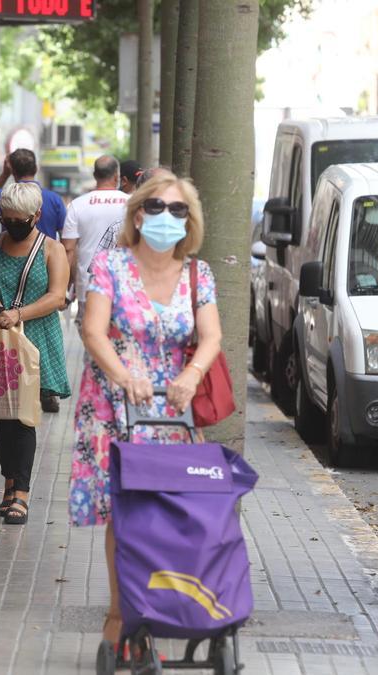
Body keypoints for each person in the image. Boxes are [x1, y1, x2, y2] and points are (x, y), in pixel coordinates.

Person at [70, 171, 223, 645]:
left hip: (171, 408)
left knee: (168, 510)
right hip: (115, 404)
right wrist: (124, 376)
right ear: (138, 215)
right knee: (125, 511)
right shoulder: (110, 267)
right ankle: (120, 614)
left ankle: (163, 603)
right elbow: (92, 330)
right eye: (156, 208)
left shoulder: (197, 274)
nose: (166, 218)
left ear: (189, 220)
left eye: (178, 210)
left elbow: (212, 335)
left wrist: (192, 374)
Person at [0, 182, 70, 525]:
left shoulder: (52, 249)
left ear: (36, 216)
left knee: (22, 417)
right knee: (2, 417)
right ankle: (10, 484)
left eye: (19, 219)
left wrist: (19, 314)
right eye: (6, 219)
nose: (11, 225)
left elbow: (58, 297)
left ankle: (20, 492)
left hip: (33, 339)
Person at [61, 155, 128, 310]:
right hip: (124, 286)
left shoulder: (77, 205)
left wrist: (66, 286)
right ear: (116, 176)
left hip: (88, 286)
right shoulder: (131, 203)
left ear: (95, 175)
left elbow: (68, 249)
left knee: (89, 332)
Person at [0, 148, 68, 240]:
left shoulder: (4, 195)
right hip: (47, 252)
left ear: (12, 171)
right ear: (36, 168)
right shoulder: (54, 199)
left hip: (10, 251)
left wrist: (5, 174)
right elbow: (64, 233)